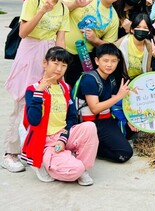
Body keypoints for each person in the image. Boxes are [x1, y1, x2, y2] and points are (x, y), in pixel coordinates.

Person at [2, 0, 71, 173]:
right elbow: (23, 32)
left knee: (44, 99)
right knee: (23, 100)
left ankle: (33, 148)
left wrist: (60, 66)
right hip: (30, 51)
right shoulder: (34, 0)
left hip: (49, 55)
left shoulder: (64, 8)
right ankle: (10, 152)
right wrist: (43, 10)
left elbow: (61, 39)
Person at [21, 47, 98, 185]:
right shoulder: (32, 89)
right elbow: (33, 120)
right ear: (45, 63)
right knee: (75, 170)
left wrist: (63, 138)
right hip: (44, 141)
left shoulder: (65, 88)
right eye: (55, 63)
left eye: (63, 65)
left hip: (63, 134)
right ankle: (43, 162)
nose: (59, 68)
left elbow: (72, 117)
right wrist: (39, 93)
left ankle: (82, 168)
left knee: (89, 127)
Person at [62, 0, 127, 88]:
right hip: (61, 48)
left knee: (73, 89)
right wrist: (75, 4)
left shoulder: (114, 18)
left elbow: (109, 46)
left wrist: (95, 40)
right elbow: (58, 7)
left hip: (83, 59)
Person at [75, 43, 134, 163]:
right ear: (97, 61)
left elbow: (113, 105)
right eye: (105, 60)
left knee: (126, 147)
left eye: (113, 61)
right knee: (124, 153)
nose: (109, 65)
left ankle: (94, 146)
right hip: (89, 123)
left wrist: (129, 120)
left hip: (106, 120)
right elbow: (95, 108)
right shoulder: (89, 79)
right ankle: (91, 146)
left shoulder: (111, 79)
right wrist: (119, 96)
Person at [115, 13, 155, 79]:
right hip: (124, 80)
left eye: (145, 28)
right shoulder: (120, 44)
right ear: (132, 29)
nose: (141, 30)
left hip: (142, 80)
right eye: (138, 27)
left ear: (149, 31)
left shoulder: (150, 47)